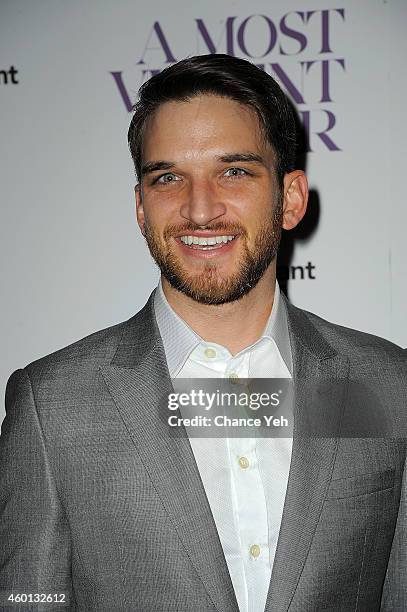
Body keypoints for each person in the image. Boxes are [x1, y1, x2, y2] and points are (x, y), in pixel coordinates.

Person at [0, 54, 406, 612]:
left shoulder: (389, 385)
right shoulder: (55, 405)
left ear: (290, 198)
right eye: (167, 178)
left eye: (234, 171)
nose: (199, 209)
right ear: (141, 208)